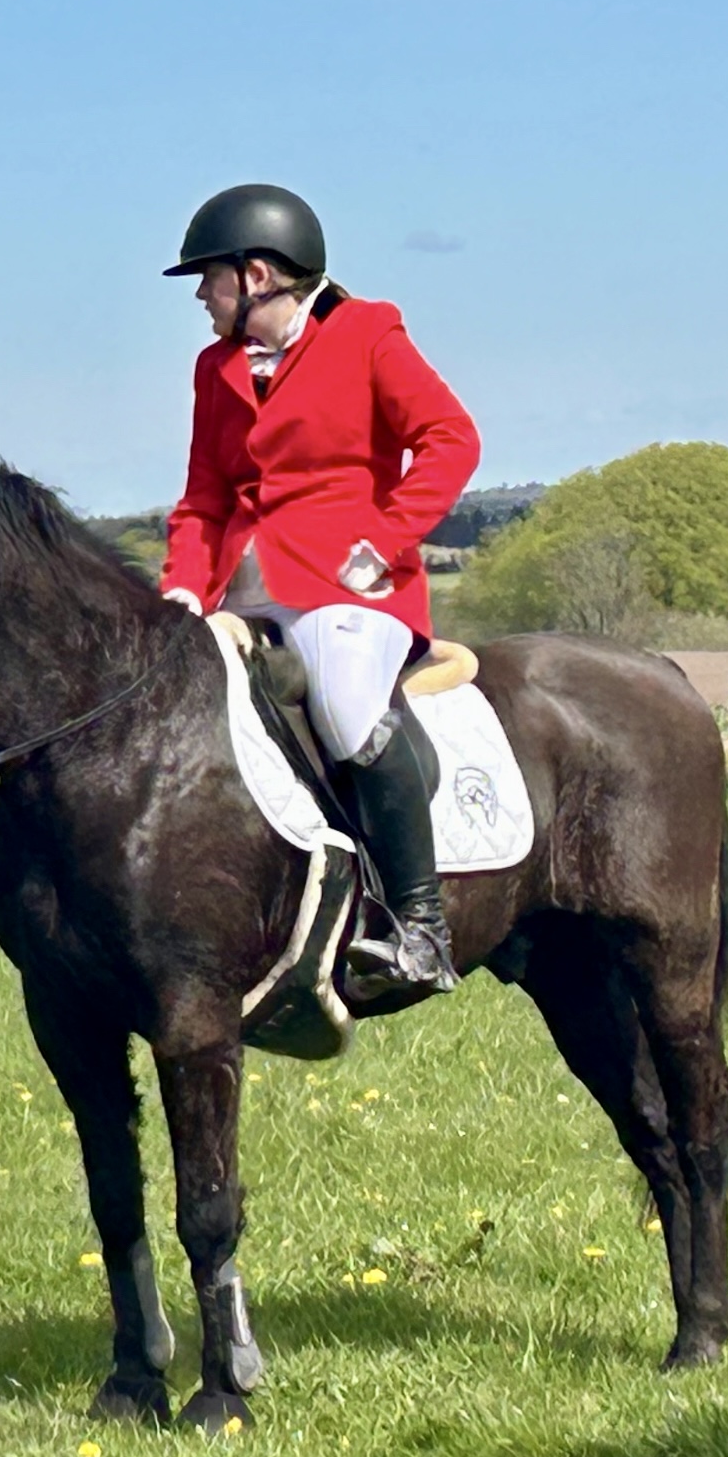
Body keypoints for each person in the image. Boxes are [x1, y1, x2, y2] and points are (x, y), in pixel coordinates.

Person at [161, 183, 481, 995]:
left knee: (343, 703)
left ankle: (421, 930)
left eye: (210, 278)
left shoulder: (368, 332)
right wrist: (183, 590)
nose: (201, 295)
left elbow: (450, 438)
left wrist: (390, 537)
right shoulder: (215, 368)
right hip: (242, 589)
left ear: (257, 276)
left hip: (350, 586)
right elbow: (203, 498)